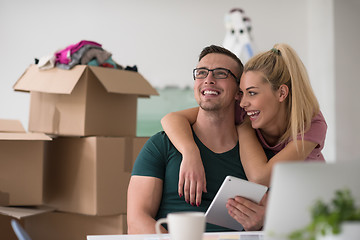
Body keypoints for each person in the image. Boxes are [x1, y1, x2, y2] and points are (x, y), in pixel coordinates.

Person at [127, 45, 274, 234]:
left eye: (221, 73)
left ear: (239, 92)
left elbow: (285, 224)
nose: (209, 80)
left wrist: (261, 223)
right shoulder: (160, 146)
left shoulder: (261, 157)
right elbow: (136, 221)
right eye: (201, 73)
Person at [161, 43, 327, 207]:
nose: (242, 103)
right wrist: (190, 153)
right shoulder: (244, 109)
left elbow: (260, 177)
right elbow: (171, 119)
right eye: (242, 93)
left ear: (282, 93)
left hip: (311, 200)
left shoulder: (310, 122)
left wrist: (245, 127)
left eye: (252, 93)